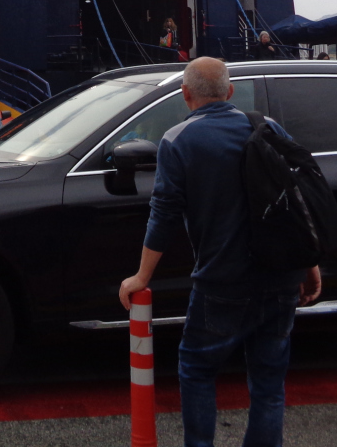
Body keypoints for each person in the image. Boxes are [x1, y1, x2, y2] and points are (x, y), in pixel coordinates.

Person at [119, 57, 321, 447]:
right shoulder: (268, 127)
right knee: (268, 381)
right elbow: (295, 203)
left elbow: (164, 214)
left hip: (222, 280)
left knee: (197, 368)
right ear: (229, 92)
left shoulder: (178, 140)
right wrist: (309, 263)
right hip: (281, 277)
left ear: (185, 94)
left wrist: (142, 276)